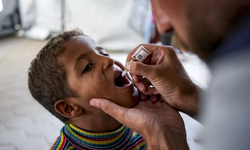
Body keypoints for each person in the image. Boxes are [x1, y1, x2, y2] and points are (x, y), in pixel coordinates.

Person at [89, 0, 250, 150]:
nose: (163, 26)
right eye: (87, 67)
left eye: (104, 53)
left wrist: (161, 137)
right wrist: (188, 95)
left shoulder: (238, 80)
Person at [28, 29, 146, 150]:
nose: (108, 60)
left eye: (104, 53)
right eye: (88, 67)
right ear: (69, 108)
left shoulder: (146, 121)